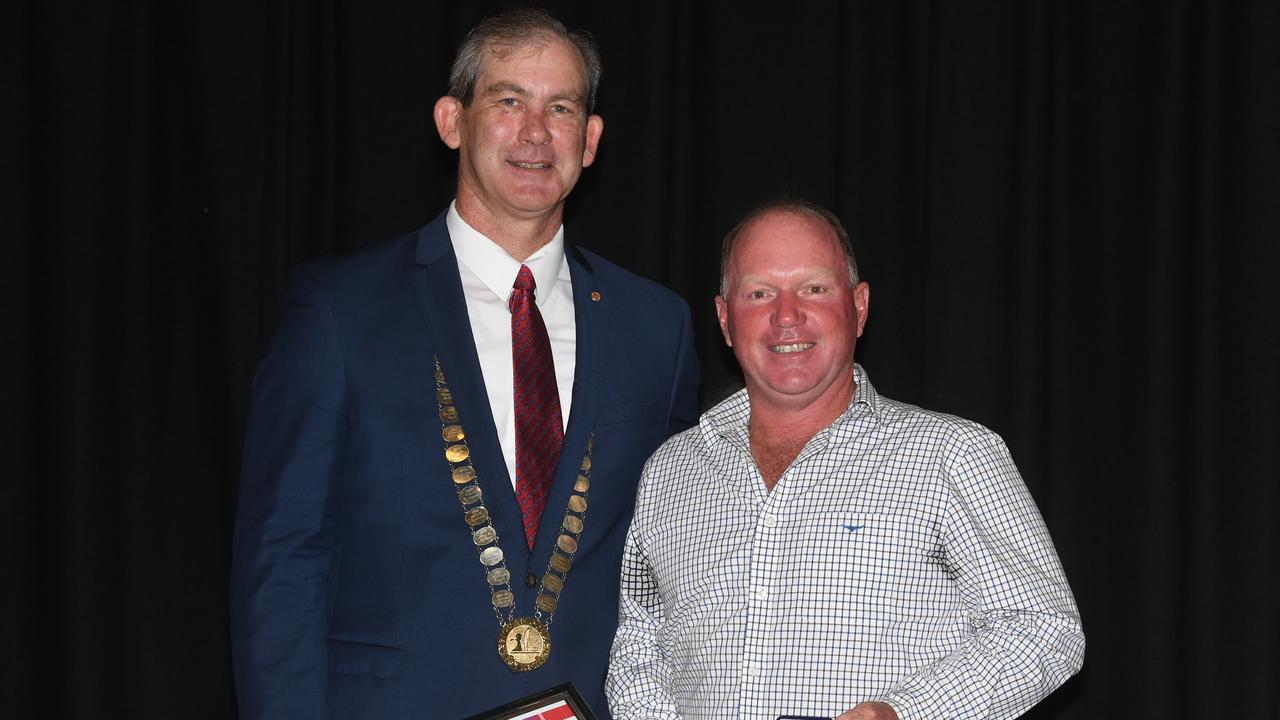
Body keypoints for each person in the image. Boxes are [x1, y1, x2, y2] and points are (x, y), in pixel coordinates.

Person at [230, 9, 699, 719]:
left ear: (591, 140)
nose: (537, 132)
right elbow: (283, 563)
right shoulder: (340, 311)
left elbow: (668, 563)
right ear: (453, 122)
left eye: (562, 108)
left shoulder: (655, 327)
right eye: (509, 101)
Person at [606, 200, 1084, 720]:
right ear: (724, 319)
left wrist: (902, 714)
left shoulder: (954, 455)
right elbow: (639, 644)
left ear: (858, 306)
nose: (786, 315)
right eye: (759, 293)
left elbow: (1043, 627)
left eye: (814, 288)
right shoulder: (672, 472)